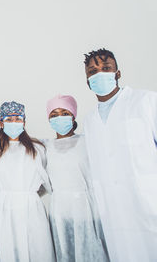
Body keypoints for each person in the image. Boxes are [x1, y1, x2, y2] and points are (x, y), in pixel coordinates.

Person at [83, 48, 157, 262]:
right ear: (87, 80)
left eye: (106, 68)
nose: (99, 74)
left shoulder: (146, 101)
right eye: (92, 71)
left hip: (148, 204)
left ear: (118, 73)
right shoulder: (90, 121)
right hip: (114, 213)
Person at [44, 95, 109, 262]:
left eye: (64, 112)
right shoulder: (45, 147)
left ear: (73, 116)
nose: (59, 117)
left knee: (91, 251)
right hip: (59, 210)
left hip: (86, 207)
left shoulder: (88, 142)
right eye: (54, 114)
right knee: (65, 252)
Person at [0, 101, 55, 262]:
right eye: (9, 119)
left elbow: (47, 180)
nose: (14, 123)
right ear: (1, 122)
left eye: (18, 119)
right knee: (8, 249)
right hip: (5, 208)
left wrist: (30, 193)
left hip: (31, 206)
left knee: (36, 248)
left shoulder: (37, 148)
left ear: (24, 121)